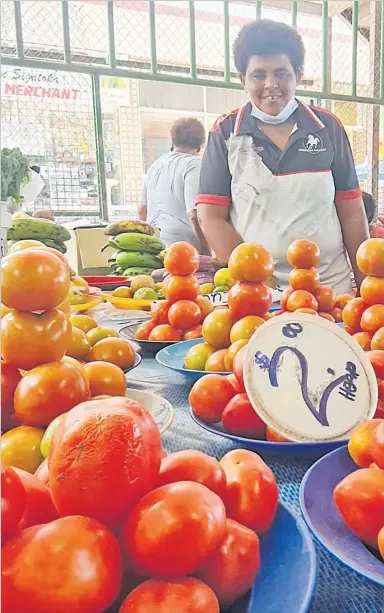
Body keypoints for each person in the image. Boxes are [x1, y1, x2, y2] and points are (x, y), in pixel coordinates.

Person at [196, 20, 369, 292]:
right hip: (260, 295)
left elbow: (352, 213)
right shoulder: (225, 133)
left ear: (298, 75)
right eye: (258, 75)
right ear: (243, 80)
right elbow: (211, 217)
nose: (271, 84)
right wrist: (253, 277)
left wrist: (368, 288)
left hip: (329, 290)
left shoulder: (328, 128)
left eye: (281, 73)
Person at [138, 117, 209, 254]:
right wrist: (206, 250)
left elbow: (142, 211)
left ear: (173, 140)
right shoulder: (193, 164)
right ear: (200, 143)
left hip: (155, 246)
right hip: (182, 249)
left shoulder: (155, 165)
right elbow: (194, 214)